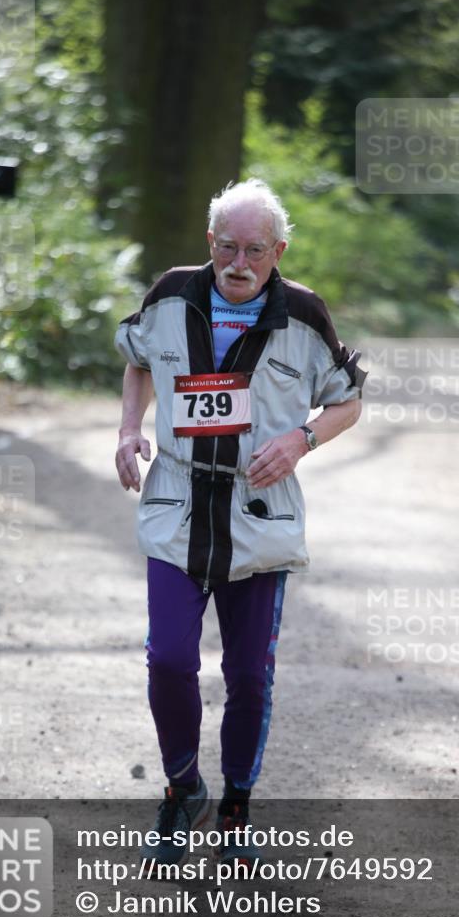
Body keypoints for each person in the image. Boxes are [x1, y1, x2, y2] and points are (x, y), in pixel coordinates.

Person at [114, 178, 365, 869]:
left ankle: (234, 809)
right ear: (209, 243)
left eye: (255, 249)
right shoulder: (169, 294)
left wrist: (300, 441)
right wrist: (129, 428)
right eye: (226, 245)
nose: (238, 261)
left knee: (249, 676)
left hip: (259, 517)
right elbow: (136, 359)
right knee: (168, 659)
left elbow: (347, 403)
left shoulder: (305, 316)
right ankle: (181, 786)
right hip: (177, 505)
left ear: (278, 250)